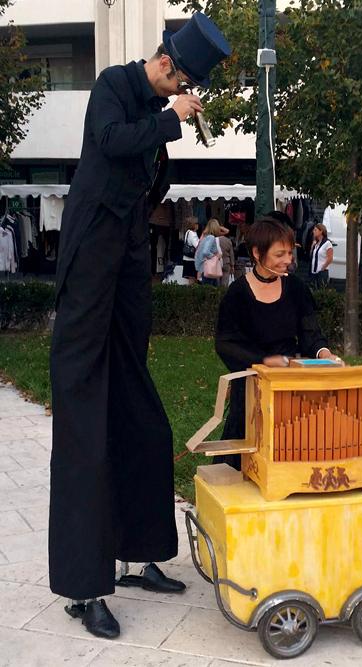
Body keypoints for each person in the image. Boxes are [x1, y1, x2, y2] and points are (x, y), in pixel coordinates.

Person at [49, 12, 231, 639]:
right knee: (86, 423)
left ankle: (138, 554)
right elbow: (111, 141)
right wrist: (168, 120)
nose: (179, 93)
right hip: (90, 257)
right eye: (178, 81)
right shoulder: (111, 85)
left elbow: (150, 174)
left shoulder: (156, 113)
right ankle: (84, 588)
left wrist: (167, 135)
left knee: (142, 416)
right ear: (164, 66)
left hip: (127, 259)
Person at [215, 217, 344, 470]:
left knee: (291, 448)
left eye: (290, 252)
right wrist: (263, 361)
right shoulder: (237, 294)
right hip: (252, 386)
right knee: (246, 461)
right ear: (257, 253)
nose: (288, 259)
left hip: (290, 384)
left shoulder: (296, 288)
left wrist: (324, 353)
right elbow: (226, 343)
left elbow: (311, 334)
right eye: (280, 254)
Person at [194, 217, 223, 285]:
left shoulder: (205, 237)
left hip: (203, 268)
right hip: (209, 269)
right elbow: (205, 252)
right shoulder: (211, 238)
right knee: (212, 290)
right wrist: (215, 256)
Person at [310, 223, 333, 288]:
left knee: (321, 289)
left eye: (315, 230)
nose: (313, 232)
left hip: (322, 272)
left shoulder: (327, 243)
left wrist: (322, 268)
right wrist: (312, 245)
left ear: (321, 231)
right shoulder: (316, 243)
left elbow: (330, 258)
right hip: (314, 271)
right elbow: (311, 256)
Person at [182, 216, 200, 285]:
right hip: (192, 259)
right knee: (193, 279)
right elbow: (197, 245)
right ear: (193, 224)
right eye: (197, 223)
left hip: (186, 258)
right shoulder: (193, 234)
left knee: (191, 278)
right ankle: (192, 293)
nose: (198, 225)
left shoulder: (188, 232)